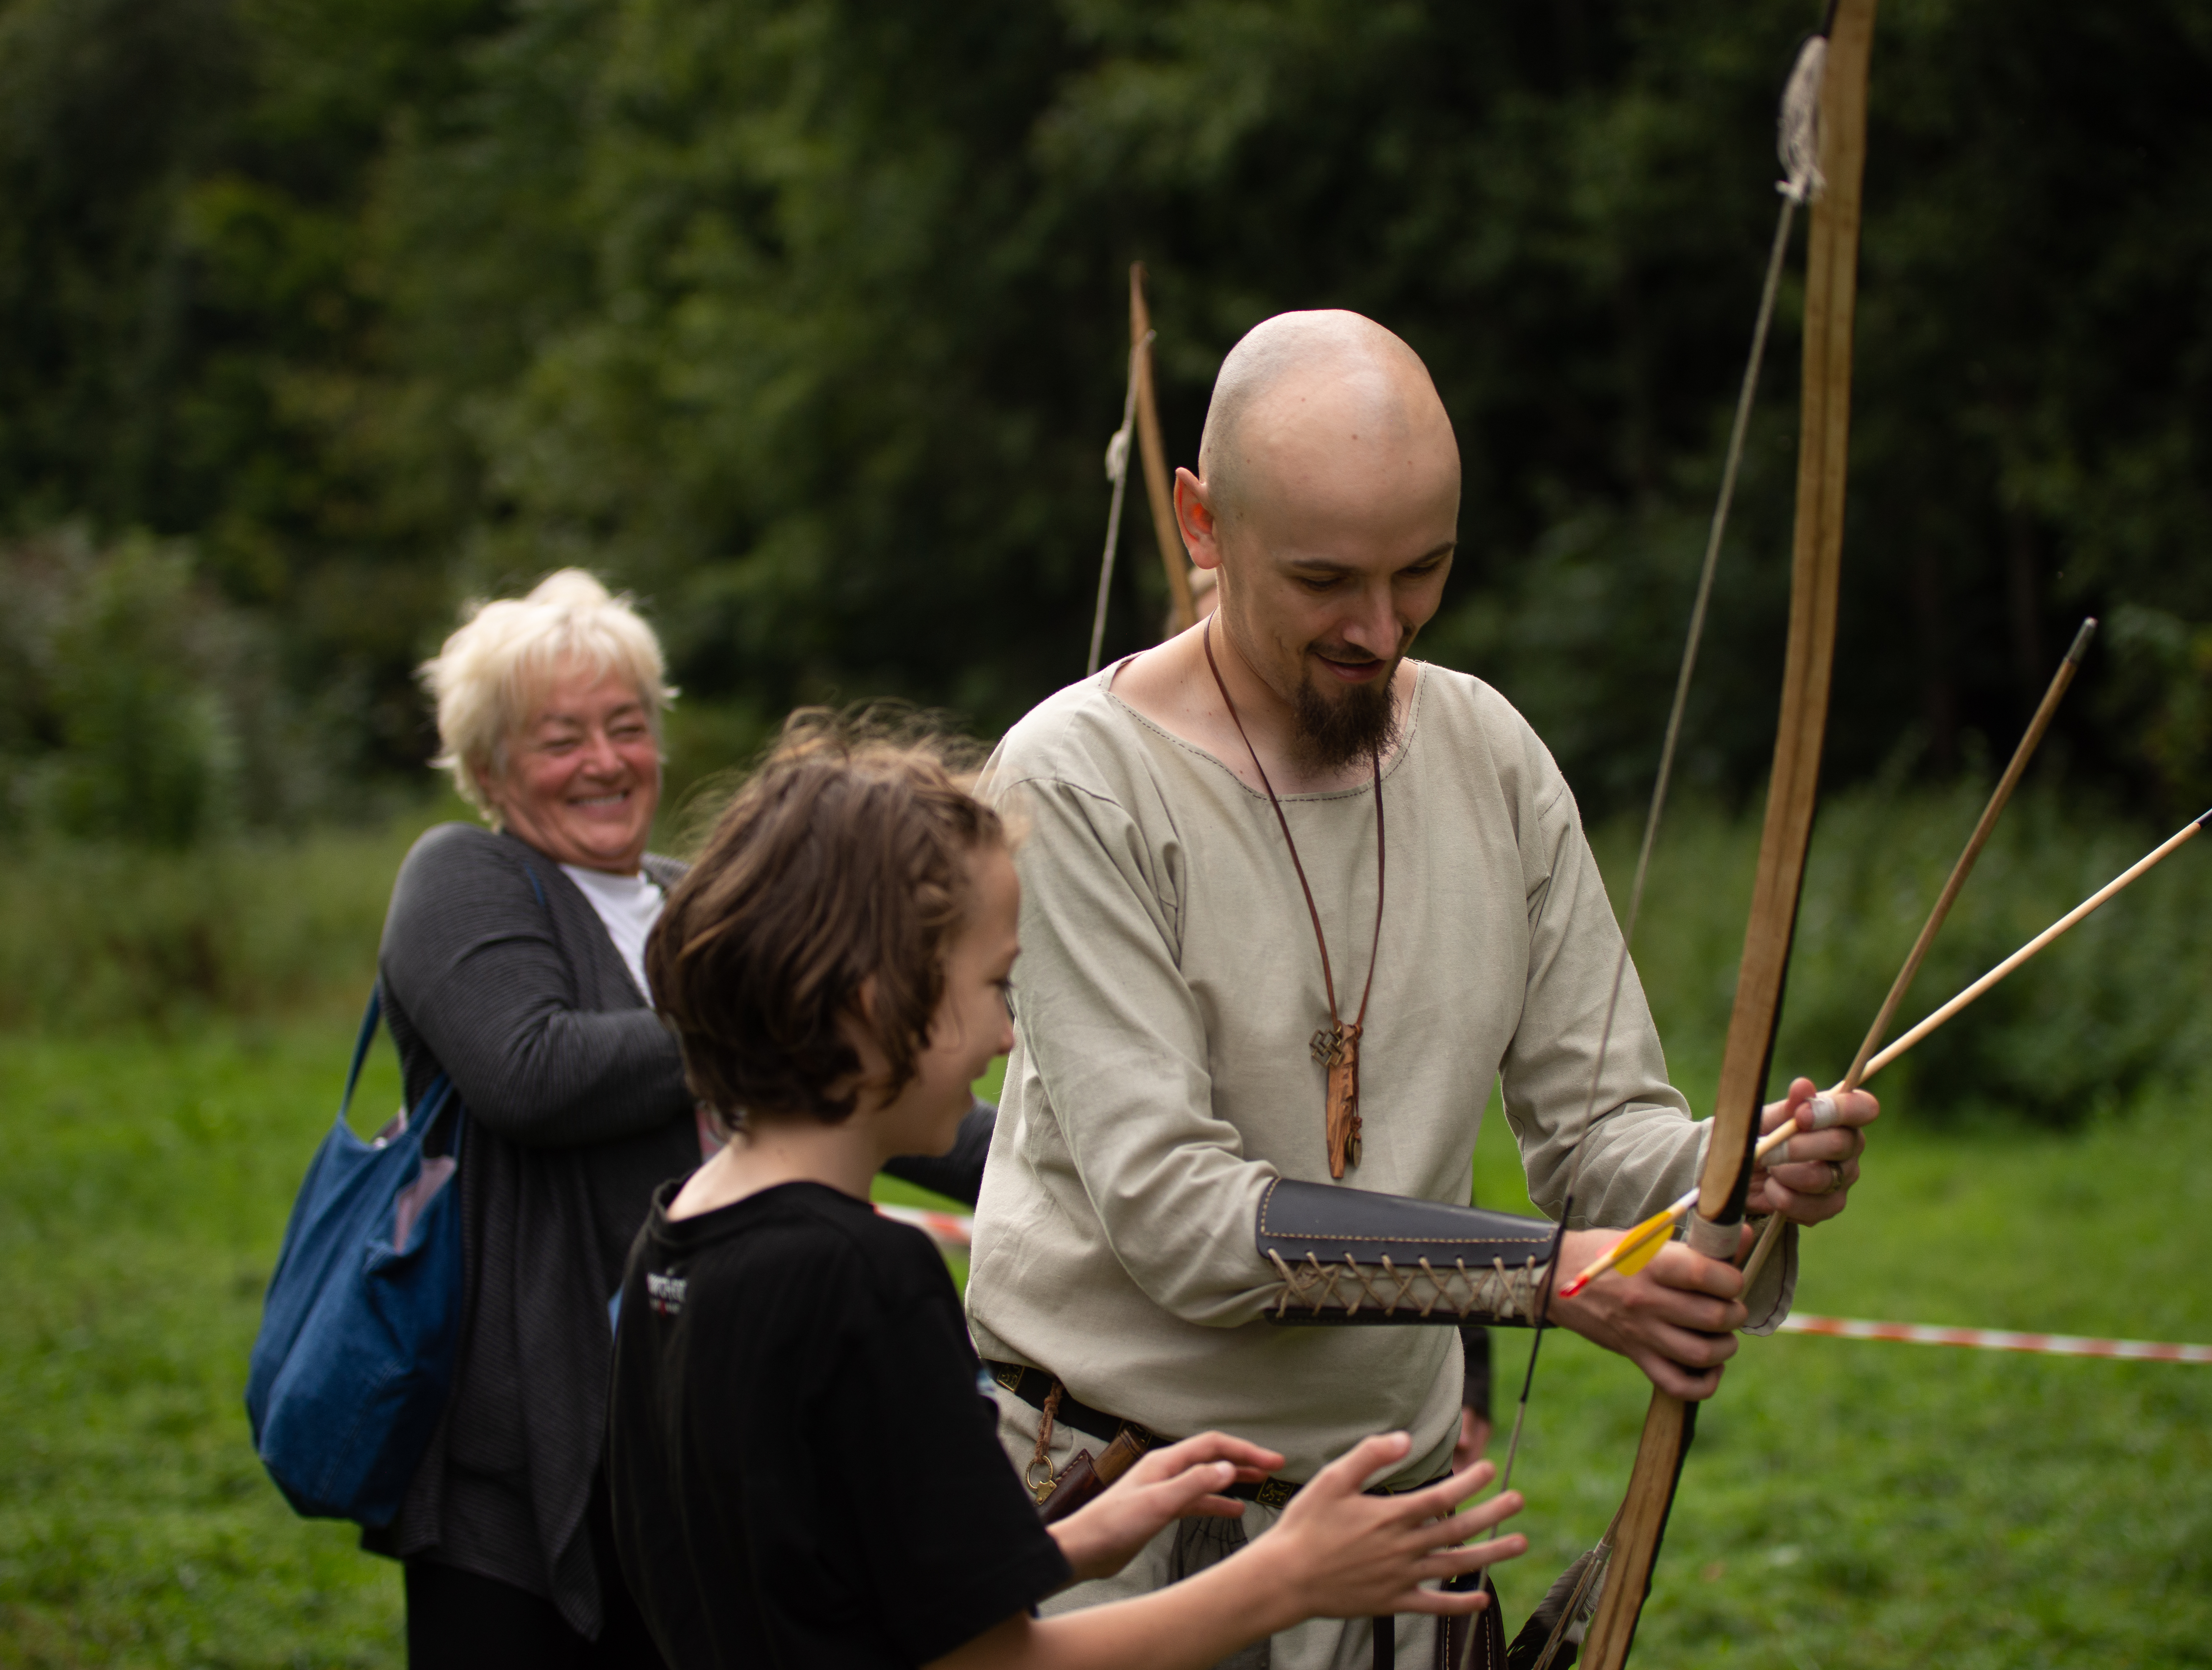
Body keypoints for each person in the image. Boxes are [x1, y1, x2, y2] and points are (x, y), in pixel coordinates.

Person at [968, 311, 1880, 1668]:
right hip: (1118, 1529)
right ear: (1201, 524)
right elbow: (1175, 1214)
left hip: (1388, 1544)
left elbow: (1599, 1140)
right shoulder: (1078, 779)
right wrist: (1542, 1279)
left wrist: (1733, 1174)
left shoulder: (1489, 753)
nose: (1381, 628)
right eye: (1327, 577)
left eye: (1425, 572)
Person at [606, 715, 1525, 1670]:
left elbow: (826, 1577)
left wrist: (1073, 1540)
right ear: (876, 1004)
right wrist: (1287, 1576)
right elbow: (991, 1660)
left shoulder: (677, 1238)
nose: (1009, 1036)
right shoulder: (863, 1279)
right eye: (997, 985)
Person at [371, 571, 986, 1666]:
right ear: (486, 767)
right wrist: (767, 1007)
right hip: (523, 1452)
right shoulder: (462, 874)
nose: (606, 761)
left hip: (689, 1412)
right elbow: (532, 1071)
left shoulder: (694, 898)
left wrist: (1047, 1170)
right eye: (561, 738)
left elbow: (850, 1080)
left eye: (627, 727)